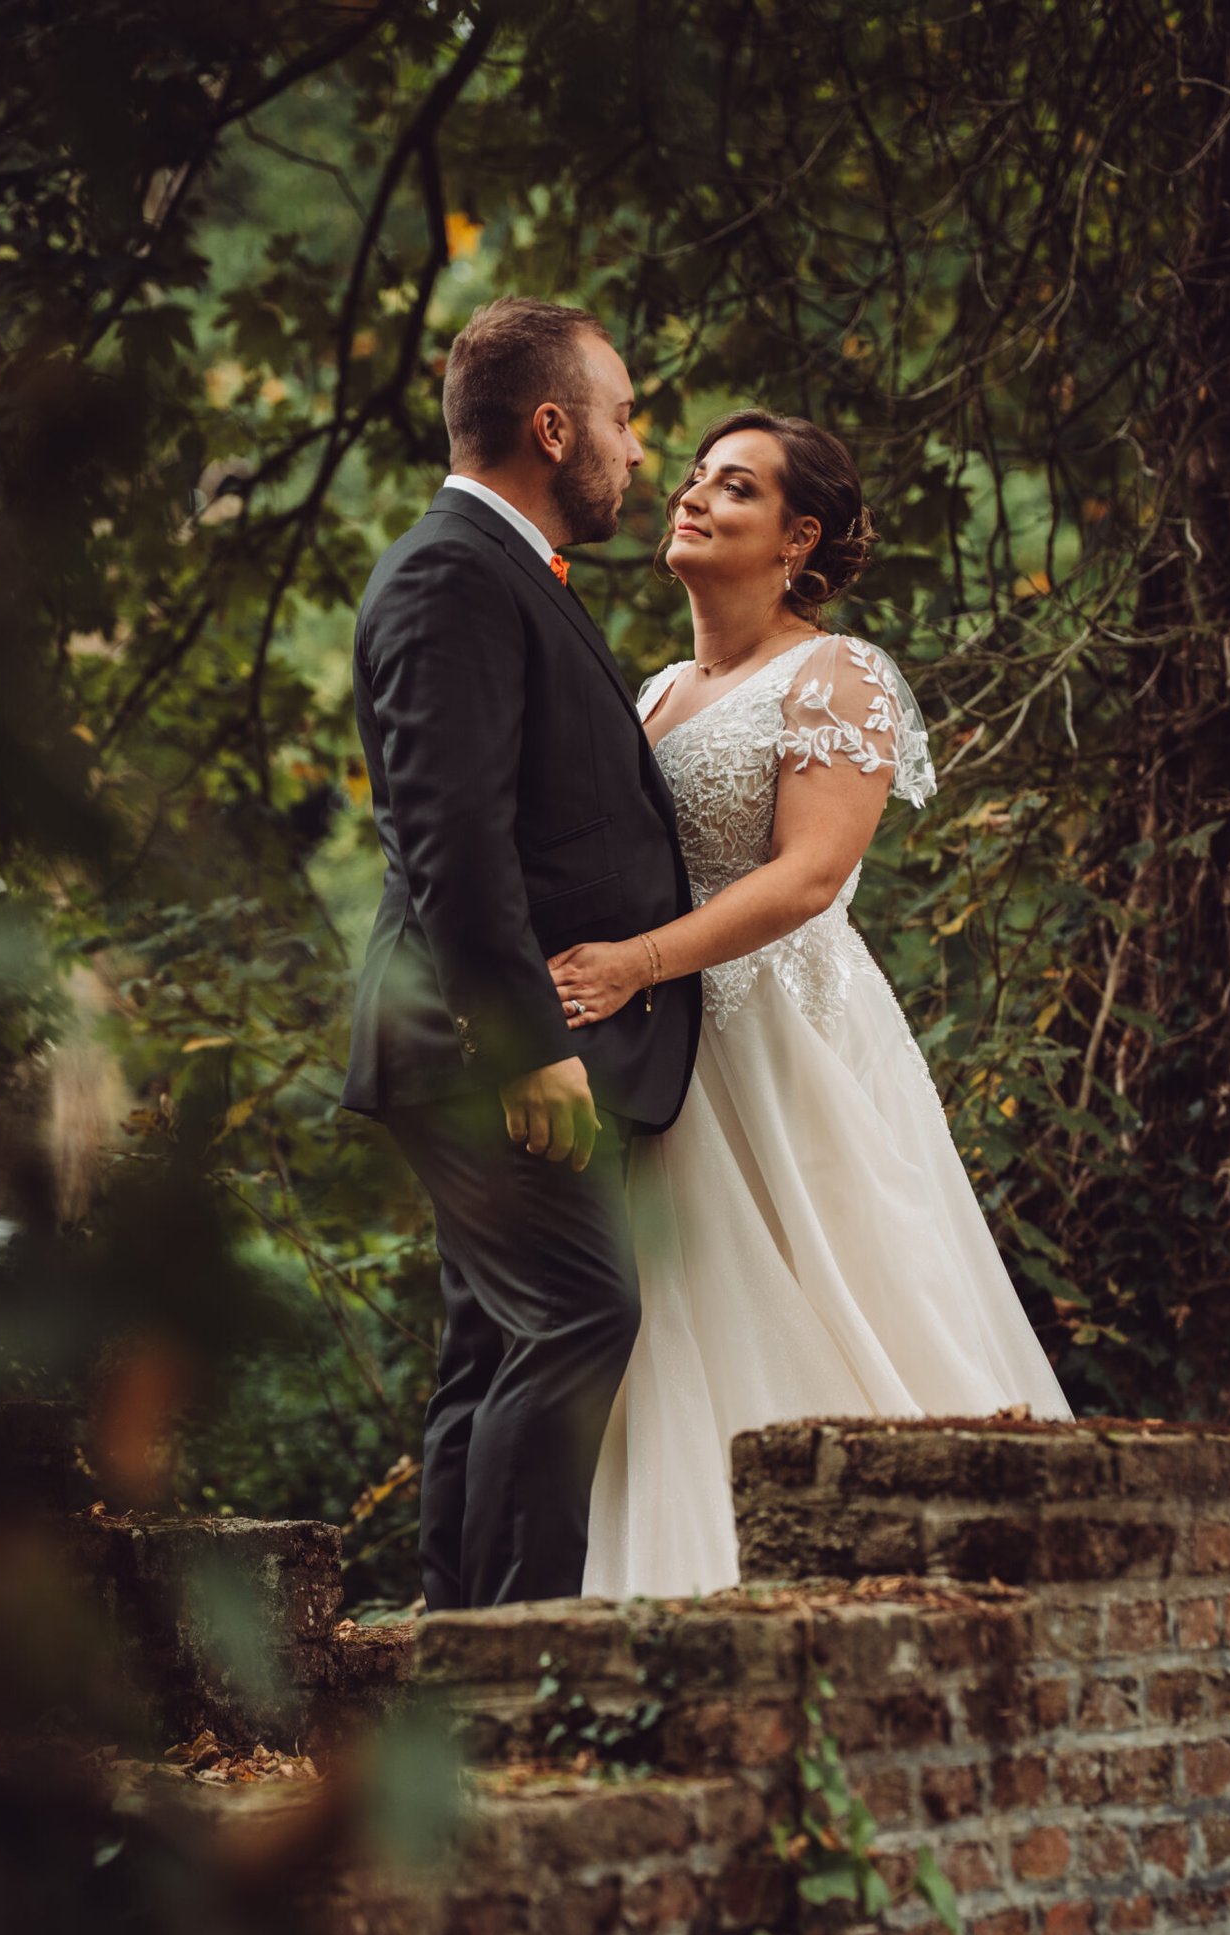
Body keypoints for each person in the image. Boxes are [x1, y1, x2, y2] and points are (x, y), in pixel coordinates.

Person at [549, 411, 1072, 1600]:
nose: (689, 496)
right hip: (671, 1057)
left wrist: (633, 962)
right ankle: (687, 1595)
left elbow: (808, 876)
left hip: (785, 1040)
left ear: (799, 540)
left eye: (733, 488)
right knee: (681, 1324)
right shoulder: (658, 688)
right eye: (691, 478)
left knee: (851, 1292)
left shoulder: (837, 673)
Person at [340, 298, 701, 1612]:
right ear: (552, 429)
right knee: (580, 1315)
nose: (636, 452)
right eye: (619, 420)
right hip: (478, 1043)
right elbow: (453, 838)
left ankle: (450, 1652)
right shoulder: (452, 576)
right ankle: (506, 1660)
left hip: (481, 1040)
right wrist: (531, 1044)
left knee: (498, 1340)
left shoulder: (500, 573)